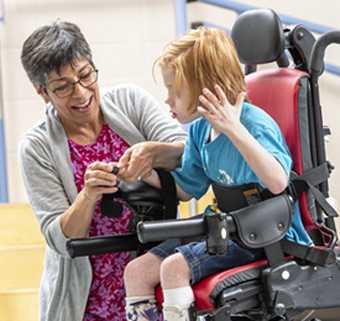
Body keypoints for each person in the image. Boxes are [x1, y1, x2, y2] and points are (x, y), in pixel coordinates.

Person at [123, 26, 312, 321]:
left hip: (263, 234)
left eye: (175, 89)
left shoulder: (254, 124)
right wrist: (143, 172)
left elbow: (278, 182)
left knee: (173, 268)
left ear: (208, 87)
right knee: (136, 272)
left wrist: (234, 130)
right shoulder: (199, 129)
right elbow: (188, 189)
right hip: (224, 228)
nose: (168, 99)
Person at [18, 20, 187, 321]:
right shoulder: (36, 146)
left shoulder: (130, 101)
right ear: (42, 92)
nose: (81, 94)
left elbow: (189, 156)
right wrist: (88, 195)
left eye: (85, 76)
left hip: (151, 283)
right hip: (85, 303)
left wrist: (151, 153)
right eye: (62, 88)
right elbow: (60, 239)